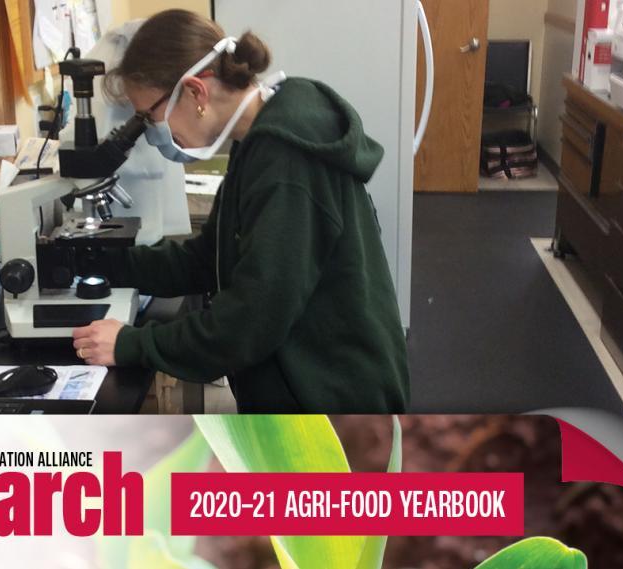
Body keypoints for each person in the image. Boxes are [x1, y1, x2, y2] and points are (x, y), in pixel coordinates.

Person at [71, 9, 409, 413]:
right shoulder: (258, 137)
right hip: (305, 382)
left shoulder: (286, 159)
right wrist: (107, 263)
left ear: (195, 92)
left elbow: (251, 321)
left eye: (149, 116)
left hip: (333, 402)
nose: (149, 130)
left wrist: (132, 344)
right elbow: (209, 257)